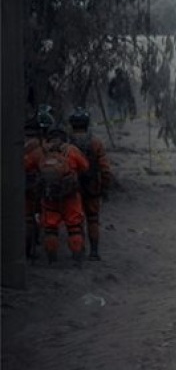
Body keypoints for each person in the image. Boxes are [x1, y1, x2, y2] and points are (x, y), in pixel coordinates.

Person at [26, 124, 90, 265]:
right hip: (71, 196)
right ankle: (77, 258)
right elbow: (85, 166)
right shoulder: (71, 150)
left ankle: (52, 259)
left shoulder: (40, 151)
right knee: (74, 227)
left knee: (50, 228)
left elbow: (26, 165)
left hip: (49, 197)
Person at [68, 107, 114, 261]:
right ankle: (94, 252)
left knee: (76, 221)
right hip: (92, 187)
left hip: (72, 188)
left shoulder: (67, 144)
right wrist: (105, 188)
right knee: (93, 219)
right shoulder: (95, 142)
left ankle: (78, 251)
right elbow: (105, 168)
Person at [22, 114, 49, 261]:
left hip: (13, 185)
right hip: (32, 187)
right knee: (31, 218)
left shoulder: (13, 143)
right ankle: (29, 249)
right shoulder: (39, 149)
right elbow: (44, 169)